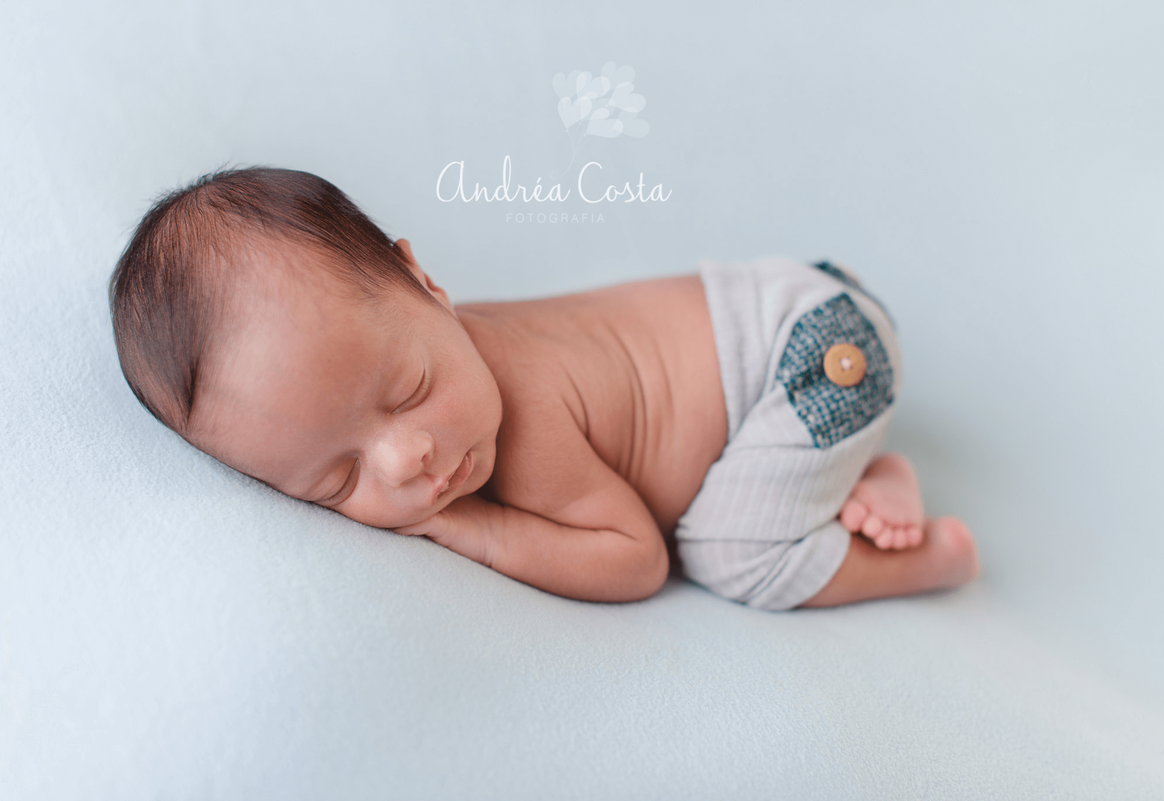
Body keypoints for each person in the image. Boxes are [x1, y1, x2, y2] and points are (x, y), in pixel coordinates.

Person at [108, 167, 978, 609]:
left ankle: (929, 554)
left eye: (410, 389)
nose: (408, 459)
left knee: (730, 555)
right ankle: (851, 473)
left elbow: (638, 560)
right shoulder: (440, 340)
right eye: (337, 480)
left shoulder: (522, 423)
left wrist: (477, 530)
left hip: (814, 359)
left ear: (427, 285)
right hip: (790, 306)